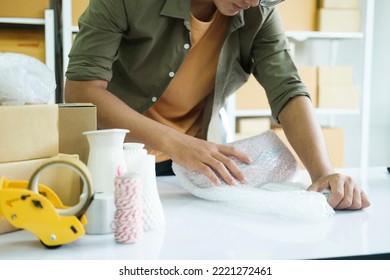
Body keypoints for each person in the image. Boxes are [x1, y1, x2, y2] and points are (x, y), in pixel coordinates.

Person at [64, 0, 370, 210]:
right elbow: (81, 91)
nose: (253, 2)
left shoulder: (258, 12)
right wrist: (176, 142)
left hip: (191, 169)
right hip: (113, 162)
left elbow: (288, 89)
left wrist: (323, 173)